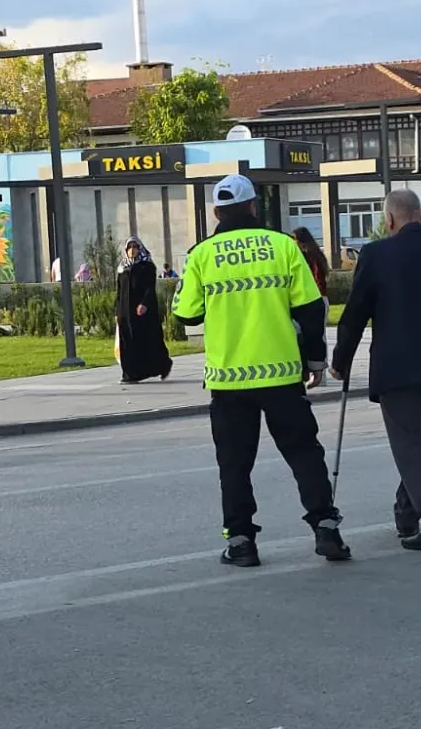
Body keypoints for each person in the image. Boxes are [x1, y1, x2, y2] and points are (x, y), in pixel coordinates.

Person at [172, 173, 350, 568]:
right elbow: (310, 308)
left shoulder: (201, 254)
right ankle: (325, 526)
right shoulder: (283, 246)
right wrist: (315, 361)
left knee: (234, 464)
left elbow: (186, 314)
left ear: (217, 211)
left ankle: (240, 542)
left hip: (228, 379)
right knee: (304, 454)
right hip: (282, 375)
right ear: (254, 206)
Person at [331, 189, 421, 550]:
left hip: (397, 364)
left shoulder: (377, 254)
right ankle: (407, 510)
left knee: (409, 443)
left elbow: (356, 312)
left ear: (389, 220)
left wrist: (340, 360)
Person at [115, 236, 173, 384]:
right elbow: (119, 291)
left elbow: (149, 288)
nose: (132, 250)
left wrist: (144, 304)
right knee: (126, 341)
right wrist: (117, 311)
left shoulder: (146, 266)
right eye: (129, 248)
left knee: (146, 340)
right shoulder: (122, 268)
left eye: (135, 247)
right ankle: (129, 373)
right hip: (125, 311)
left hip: (142, 311)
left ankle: (162, 365)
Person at [292, 227, 330, 303]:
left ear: (301, 241)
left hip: (316, 297)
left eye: (294, 239)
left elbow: (318, 277)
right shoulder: (310, 255)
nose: (292, 241)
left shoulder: (312, 256)